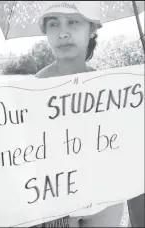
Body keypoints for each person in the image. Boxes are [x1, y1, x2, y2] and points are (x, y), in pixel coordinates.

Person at [34, 1, 126, 227]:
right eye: (54, 24)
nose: (63, 33)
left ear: (92, 28)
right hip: (55, 200)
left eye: (73, 22)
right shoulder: (31, 91)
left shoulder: (113, 89)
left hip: (105, 196)